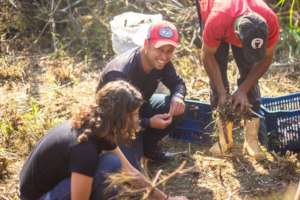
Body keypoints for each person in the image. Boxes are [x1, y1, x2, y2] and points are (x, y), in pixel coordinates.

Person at [19, 80, 188, 200]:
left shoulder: (99, 126)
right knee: (109, 167)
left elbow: (130, 172)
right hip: (40, 197)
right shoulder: (84, 147)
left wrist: (165, 198)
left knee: (114, 165)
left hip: (51, 188)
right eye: (135, 114)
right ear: (120, 116)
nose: (138, 119)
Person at [197, 0, 280, 160]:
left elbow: (266, 58)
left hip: (237, 21)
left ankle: (251, 140)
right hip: (217, 14)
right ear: (236, 34)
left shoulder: (270, 20)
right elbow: (207, 55)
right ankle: (225, 140)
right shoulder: (217, 19)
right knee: (218, 73)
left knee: (249, 70)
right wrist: (222, 93)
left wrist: (243, 89)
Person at [97, 20, 187, 163]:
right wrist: (148, 123)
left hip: (140, 108)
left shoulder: (162, 62)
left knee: (178, 107)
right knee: (128, 164)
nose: (164, 56)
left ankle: (149, 148)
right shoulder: (120, 72)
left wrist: (178, 96)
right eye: (160, 49)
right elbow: (114, 118)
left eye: (169, 51)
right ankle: (134, 148)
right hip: (115, 122)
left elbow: (177, 83)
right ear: (146, 45)